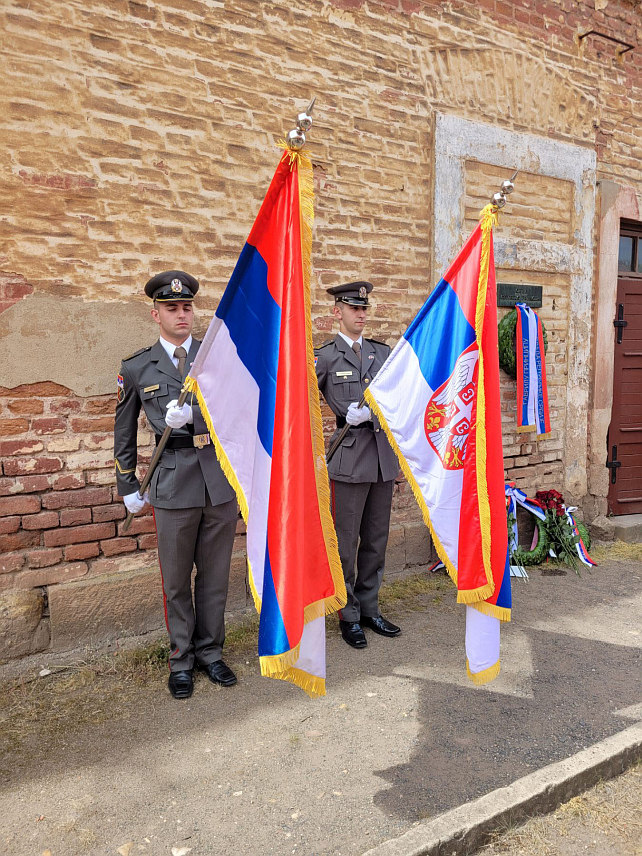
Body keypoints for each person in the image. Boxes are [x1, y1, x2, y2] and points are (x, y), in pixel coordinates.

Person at [114, 270, 238, 699]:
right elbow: (123, 431)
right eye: (172, 308)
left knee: (216, 575)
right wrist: (127, 483)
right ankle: (181, 659)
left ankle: (211, 652)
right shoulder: (137, 367)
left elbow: (239, 412)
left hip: (217, 483)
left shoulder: (216, 357)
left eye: (187, 307)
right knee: (175, 579)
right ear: (156, 314)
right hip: (170, 482)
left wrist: (199, 418)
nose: (181, 314)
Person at [315, 281, 401, 649]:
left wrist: (375, 415)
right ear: (337, 312)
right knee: (346, 543)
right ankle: (347, 614)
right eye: (353, 309)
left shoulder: (382, 354)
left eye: (364, 308)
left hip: (381, 459)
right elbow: (301, 403)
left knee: (376, 541)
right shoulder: (325, 357)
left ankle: (370, 608)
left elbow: (399, 399)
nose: (361, 314)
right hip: (348, 460)